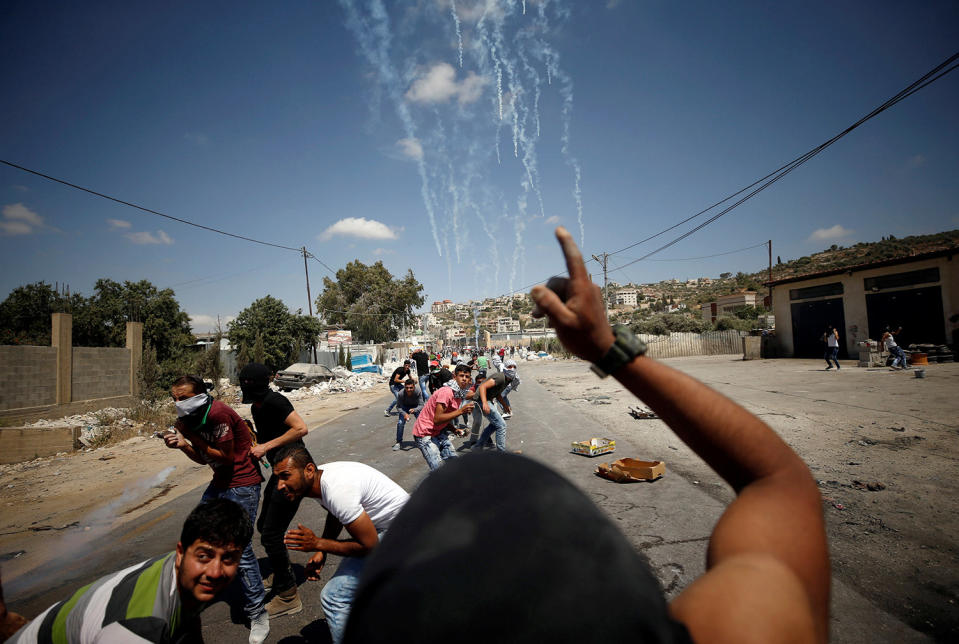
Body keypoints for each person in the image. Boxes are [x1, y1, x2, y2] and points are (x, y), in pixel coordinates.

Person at [341, 227, 830, 644]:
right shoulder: (742, 622)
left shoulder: (497, 378)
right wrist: (608, 347)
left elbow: (777, 484)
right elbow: (780, 482)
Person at [9, 498, 253, 643]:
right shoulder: (136, 629)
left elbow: (189, 620)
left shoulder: (184, 574)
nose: (215, 571)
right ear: (180, 552)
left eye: (229, 558)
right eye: (204, 556)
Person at [164, 375, 269, 643]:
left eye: (184, 398)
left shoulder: (218, 414)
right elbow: (204, 459)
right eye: (175, 399)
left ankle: (258, 612)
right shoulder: (191, 418)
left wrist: (191, 437)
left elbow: (226, 456)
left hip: (242, 484)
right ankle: (185, 600)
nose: (179, 403)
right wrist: (183, 445)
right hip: (220, 482)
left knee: (240, 550)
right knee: (194, 536)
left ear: (200, 395)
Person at [273, 445, 409, 644]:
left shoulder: (337, 490)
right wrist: (321, 550)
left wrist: (318, 543)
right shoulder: (322, 479)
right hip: (400, 525)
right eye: (278, 478)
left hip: (405, 532)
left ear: (309, 470)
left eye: (285, 476)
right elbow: (335, 513)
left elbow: (370, 547)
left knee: (334, 598)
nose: (279, 485)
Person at [238, 362, 309, 618]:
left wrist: (266, 446)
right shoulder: (256, 406)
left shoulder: (275, 400)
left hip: (295, 468)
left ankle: (289, 595)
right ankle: (280, 572)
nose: (243, 385)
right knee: (264, 527)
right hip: (281, 468)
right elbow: (270, 434)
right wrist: (254, 436)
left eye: (247, 381)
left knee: (270, 532)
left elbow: (301, 428)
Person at [411, 364, 475, 470]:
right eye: (461, 375)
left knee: (454, 465)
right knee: (439, 472)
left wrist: (454, 429)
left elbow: (445, 417)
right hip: (425, 434)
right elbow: (437, 419)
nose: (464, 379)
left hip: (438, 431)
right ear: (455, 377)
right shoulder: (447, 392)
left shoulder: (458, 394)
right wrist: (461, 411)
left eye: (467, 377)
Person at [464, 369, 511, 452]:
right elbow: (467, 396)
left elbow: (498, 395)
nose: (480, 383)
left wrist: (505, 406)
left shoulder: (496, 384)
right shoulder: (475, 387)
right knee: (478, 422)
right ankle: (474, 441)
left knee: (494, 424)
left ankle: (479, 445)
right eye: (478, 381)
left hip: (487, 403)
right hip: (477, 404)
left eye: (482, 381)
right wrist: (482, 397)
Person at [391, 378, 425, 451]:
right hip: (404, 407)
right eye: (407, 388)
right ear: (404, 387)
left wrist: (415, 410)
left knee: (421, 422)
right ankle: (398, 442)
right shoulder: (401, 393)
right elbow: (398, 407)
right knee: (400, 423)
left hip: (415, 406)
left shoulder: (418, 391)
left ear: (414, 387)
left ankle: (422, 439)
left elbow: (421, 405)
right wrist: (404, 414)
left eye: (411, 388)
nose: (409, 389)